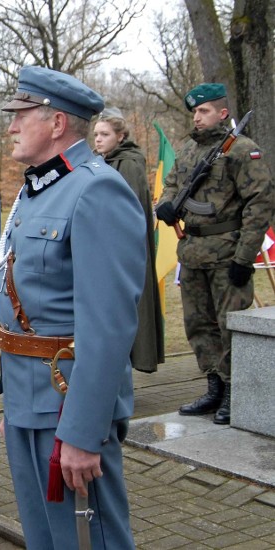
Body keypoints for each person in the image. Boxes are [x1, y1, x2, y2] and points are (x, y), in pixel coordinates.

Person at [0, 66, 144, 549]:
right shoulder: (40, 189)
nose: (11, 126)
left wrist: (82, 431)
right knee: (45, 537)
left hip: (67, 403)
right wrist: (13, 403)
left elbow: (109, 327)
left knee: (89, 540)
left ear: (56, 123)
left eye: (21, 116)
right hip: (29, 399)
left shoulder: (96, 189)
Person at [155, 83, 273, 425]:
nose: (197, 116)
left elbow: (260, 202)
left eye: (204, 111)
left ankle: (236, 391)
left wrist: (244, 256)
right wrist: (166, 205)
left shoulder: (241, 150)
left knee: (229, 326)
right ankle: (214, 388)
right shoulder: (189, 150)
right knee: (198, 324)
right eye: (195, 111)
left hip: (227, 253)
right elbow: (174, 185)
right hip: (192, 252)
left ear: (222, 113)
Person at [93, 108, 165, 373]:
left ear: (120, 136)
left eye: (105, 134)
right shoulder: (98, 161)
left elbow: (126, 215)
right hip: (100, 250)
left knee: (124, 315)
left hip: (121, 254)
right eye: (96, 134)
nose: (98, 139)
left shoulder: (129, 164)